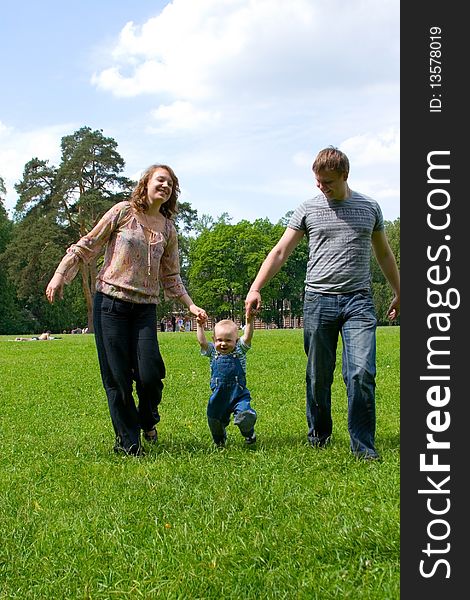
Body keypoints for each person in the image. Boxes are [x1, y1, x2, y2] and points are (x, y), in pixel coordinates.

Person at [245, 146, 400, 460]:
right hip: (318, 301)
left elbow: (383, 253)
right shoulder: (308, 208)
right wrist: (256, 287)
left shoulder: (370, 208)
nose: (321, 187)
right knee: (318, 375)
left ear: (344, 175)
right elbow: (280, 252)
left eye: (327, 182)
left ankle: (363, 447)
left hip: (359, 301)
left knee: (360, 373)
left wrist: (401, 291)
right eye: (317, 181)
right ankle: (319, 436)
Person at [46, 164, 207, 456]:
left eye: (170, 184)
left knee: (150, 374)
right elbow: (89, 244)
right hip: (110, 305)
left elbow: (170, 275)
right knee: (117, 378)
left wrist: (190, 305)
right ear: (145, 183)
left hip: (145, 308)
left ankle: (147, 419)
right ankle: (128, 443)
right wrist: (61, 273)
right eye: (161, 180)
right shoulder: (122, 212)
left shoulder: (168, 229)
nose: (166, 186)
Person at [196, 312, 257, 447]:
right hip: (219, 396)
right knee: (214, 418)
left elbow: (247, 336)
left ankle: (249, 433)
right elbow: (202, 342)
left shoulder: (239, 350)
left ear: (236, 340)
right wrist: (200, 326)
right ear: (214, 339)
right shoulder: (213, 352)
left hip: (238, 395)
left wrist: (249, 320)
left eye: (228, 340)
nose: (223, 344)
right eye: (219, 340)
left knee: (245, 416)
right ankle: (220, 440)